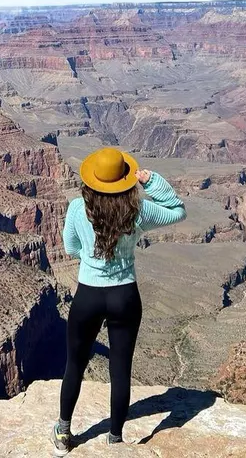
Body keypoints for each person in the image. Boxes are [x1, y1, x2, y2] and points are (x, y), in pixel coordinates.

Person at [52, 147, 187, 454]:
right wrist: (152, 181)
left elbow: (70, 248)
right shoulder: (138, 211)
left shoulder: (77, 208)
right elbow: (177, 210)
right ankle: (115, 438)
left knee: (75, 363)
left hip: (88, 294)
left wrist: (90, 258)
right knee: (121, 368)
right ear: (124, 180)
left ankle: (63, 434)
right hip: (125, 296)